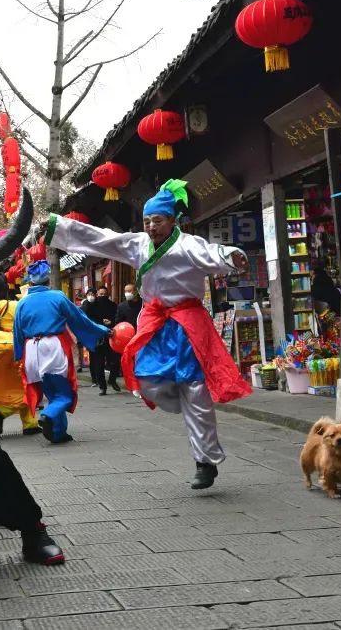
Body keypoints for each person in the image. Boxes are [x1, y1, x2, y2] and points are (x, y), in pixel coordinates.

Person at [43, 179, 251, 488]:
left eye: (157, 220)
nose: (151, 227)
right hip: (155, 320)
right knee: (148, 380)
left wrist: (231, 257)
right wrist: (58, 227)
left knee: (196, 391)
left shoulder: (188, 245)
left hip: (187, 323)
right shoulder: (138, 244)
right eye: (147, 221)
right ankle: (183, 402)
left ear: (172, 221)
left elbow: (214, 253)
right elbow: (103, 239)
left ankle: (205, 461)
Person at [13, 261, 111, 444]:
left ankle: (58, 433)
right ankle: (48, 416)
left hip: (31, 350)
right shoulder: (57, 297)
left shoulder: (23, 303)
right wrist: (102, 330)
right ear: (48, 280)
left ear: (31, 282)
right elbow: (79, 319)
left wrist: (19, 356)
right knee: (65, 393)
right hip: (53, 347)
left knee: (51, 393)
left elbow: (17, 332)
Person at [0, 271, 40, 436]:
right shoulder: (15, 305)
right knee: (26, 385)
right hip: (16, 349)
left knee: (11, 386)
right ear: (5, 288)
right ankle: (4, 412)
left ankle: (30, 423)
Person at [85, 286, 120, 395]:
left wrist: (111, 323)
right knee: (98, 365)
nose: (102, 296)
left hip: (111, 338)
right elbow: (88, 321)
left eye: (105, 294)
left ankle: (112, 380)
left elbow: (117, 318)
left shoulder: (113, 305)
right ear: (97, 295)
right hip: (97, 339)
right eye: (100, 294)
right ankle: (102, 387)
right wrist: (101, 322)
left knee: (115, 361)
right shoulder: (91, 306)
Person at [79, 290, 97, 383]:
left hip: (97, 334)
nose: (91, 296)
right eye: (89, 295)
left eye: (92, 294)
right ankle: (94, 378)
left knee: (96, 357)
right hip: (87, 335)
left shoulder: (98, 306)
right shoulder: (83, 307)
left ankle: (97, 377)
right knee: (90, 357)